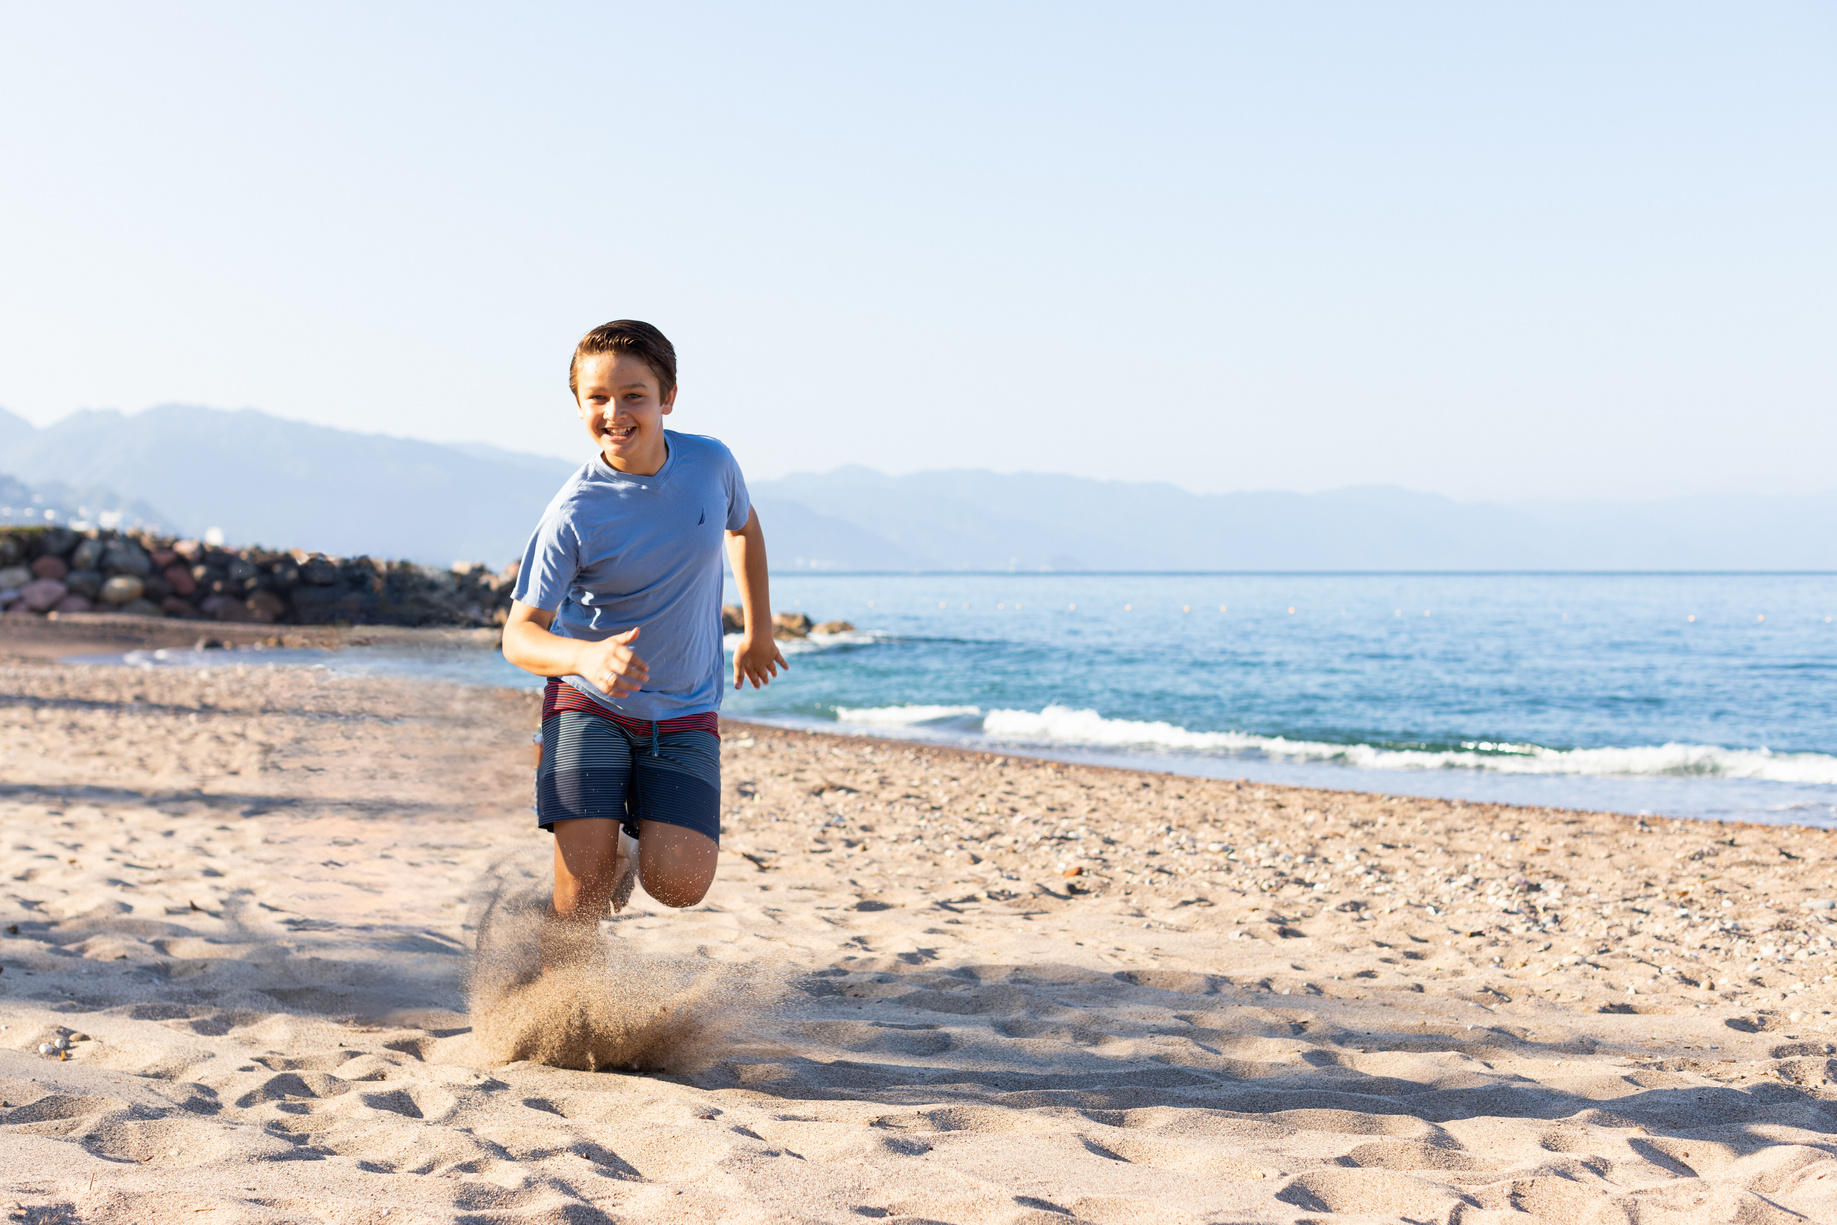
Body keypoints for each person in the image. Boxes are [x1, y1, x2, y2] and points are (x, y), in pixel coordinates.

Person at [501, 319, 785, 967]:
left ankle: (624, 847)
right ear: (578, 405)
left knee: (680, 884)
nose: (615, 412)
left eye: (633, 395)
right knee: (581, 898)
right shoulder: (573, 513)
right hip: (589, 704)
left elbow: (743, 528)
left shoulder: (711, 463)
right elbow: (518, 635)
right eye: (597, 397)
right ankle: (558, 1012)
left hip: (685, 707)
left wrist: (758, 629)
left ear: (668, 397)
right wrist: (585, 657)